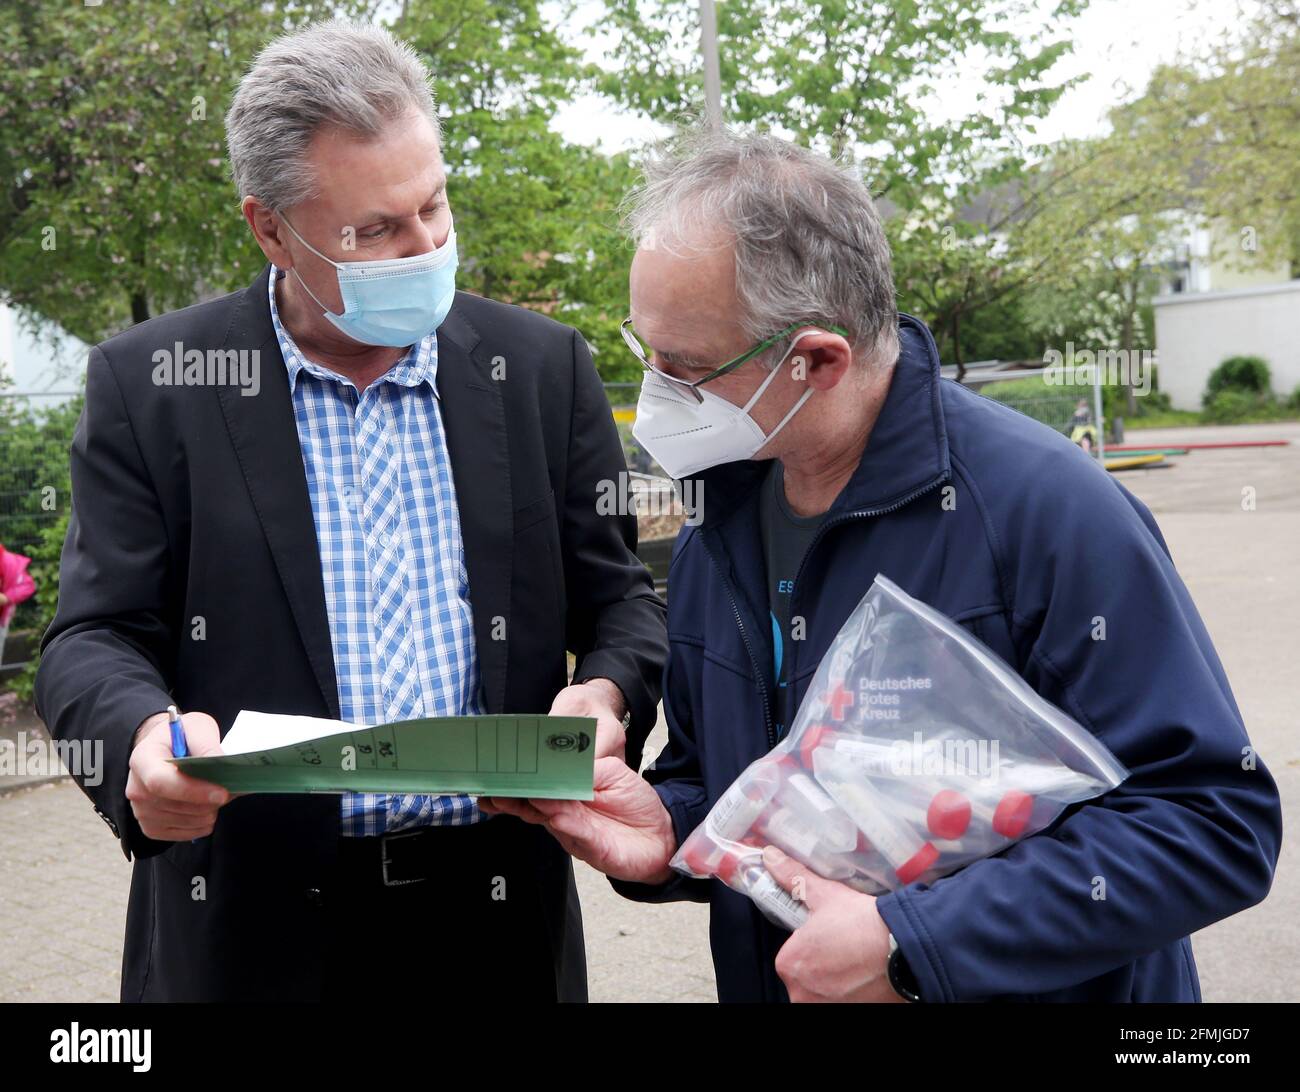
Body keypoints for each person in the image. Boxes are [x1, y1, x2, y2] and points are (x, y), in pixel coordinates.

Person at [482, 128, 1283, 1003]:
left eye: (686, 368)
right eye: (647, 355)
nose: (656, 394)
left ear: (817, 359)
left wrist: (911, 943)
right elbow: (740, 784)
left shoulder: (1047, 512)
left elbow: (1211, 820)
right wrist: (667, 832)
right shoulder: (723, 518)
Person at [35, 21, 666, 1002]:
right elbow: (93, 634)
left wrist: (610, 695)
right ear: (269, 227)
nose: (424, 247)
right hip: (253, 932)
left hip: (494, 930)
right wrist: (140, 743)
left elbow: (623, 604)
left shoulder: (541, 370)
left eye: (434, 205)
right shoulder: (155, 382)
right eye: (374, 230)